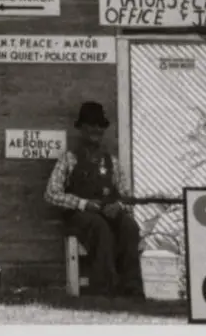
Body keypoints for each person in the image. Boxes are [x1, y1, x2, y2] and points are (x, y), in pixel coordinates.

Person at [44, 101, 145, 298]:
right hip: (79, 218)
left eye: (100, 125)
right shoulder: (69, 159)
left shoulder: (112, 162)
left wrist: (119, 205)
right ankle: (104, 289)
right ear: (81, 129)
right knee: (100, 228)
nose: (96, 130)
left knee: (130, 226)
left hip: (108, 213)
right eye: (91, 125)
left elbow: (126, 196)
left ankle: (132, 289)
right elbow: (51, 193)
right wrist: (83, 204)